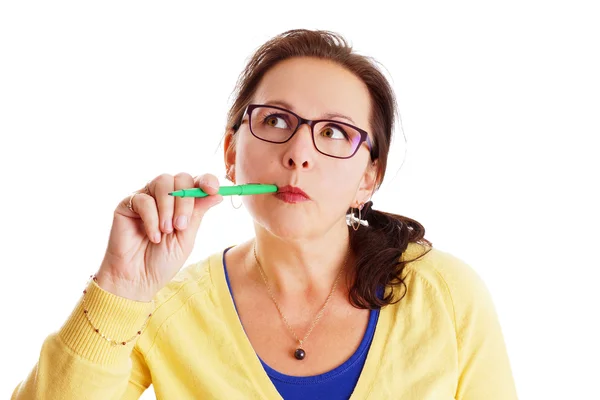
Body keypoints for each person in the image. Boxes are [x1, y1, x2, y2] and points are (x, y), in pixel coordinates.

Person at [12, 29, 517, 399]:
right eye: (276, 120)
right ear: (232, 152)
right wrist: (121, 287)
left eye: (335, 132)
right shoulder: (166, 311)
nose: (300, 152)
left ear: (369, 177)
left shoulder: (447, 297)